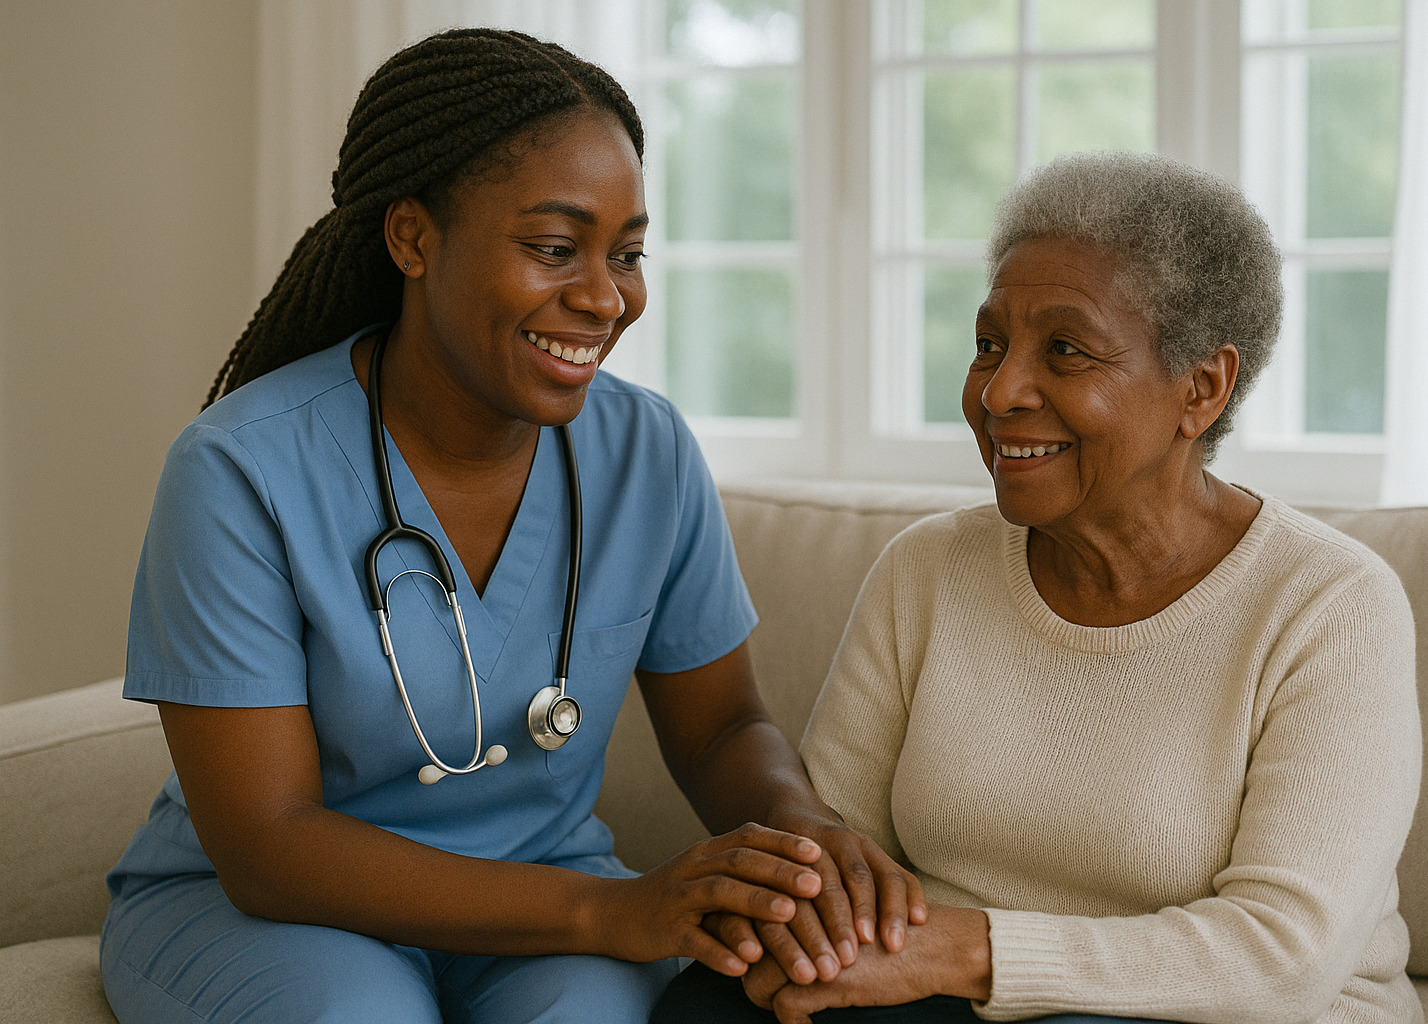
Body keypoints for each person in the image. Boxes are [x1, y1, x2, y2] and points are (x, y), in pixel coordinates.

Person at [99, 28, 922, 1024]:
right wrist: (608, 910)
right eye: (554, 248)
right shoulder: (240, 468)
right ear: (413, 238)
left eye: (626, 254)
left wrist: (801, 831)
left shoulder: (647, 450)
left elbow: (720, 729)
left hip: (541, 898)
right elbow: (268, 843)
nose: (604, 297)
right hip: (277, 915)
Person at [651, 152, 1422, 1023]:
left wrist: (971, 949)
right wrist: (805, 932)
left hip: (1224, 1013)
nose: (1001, 391)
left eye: (1065, 350)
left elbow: (1282, 959)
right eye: (990, 345)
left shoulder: (1330, 605)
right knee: (710, 1005)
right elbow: (837, 855)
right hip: (943, 1000)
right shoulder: (926, 570)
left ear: (1201, 389)